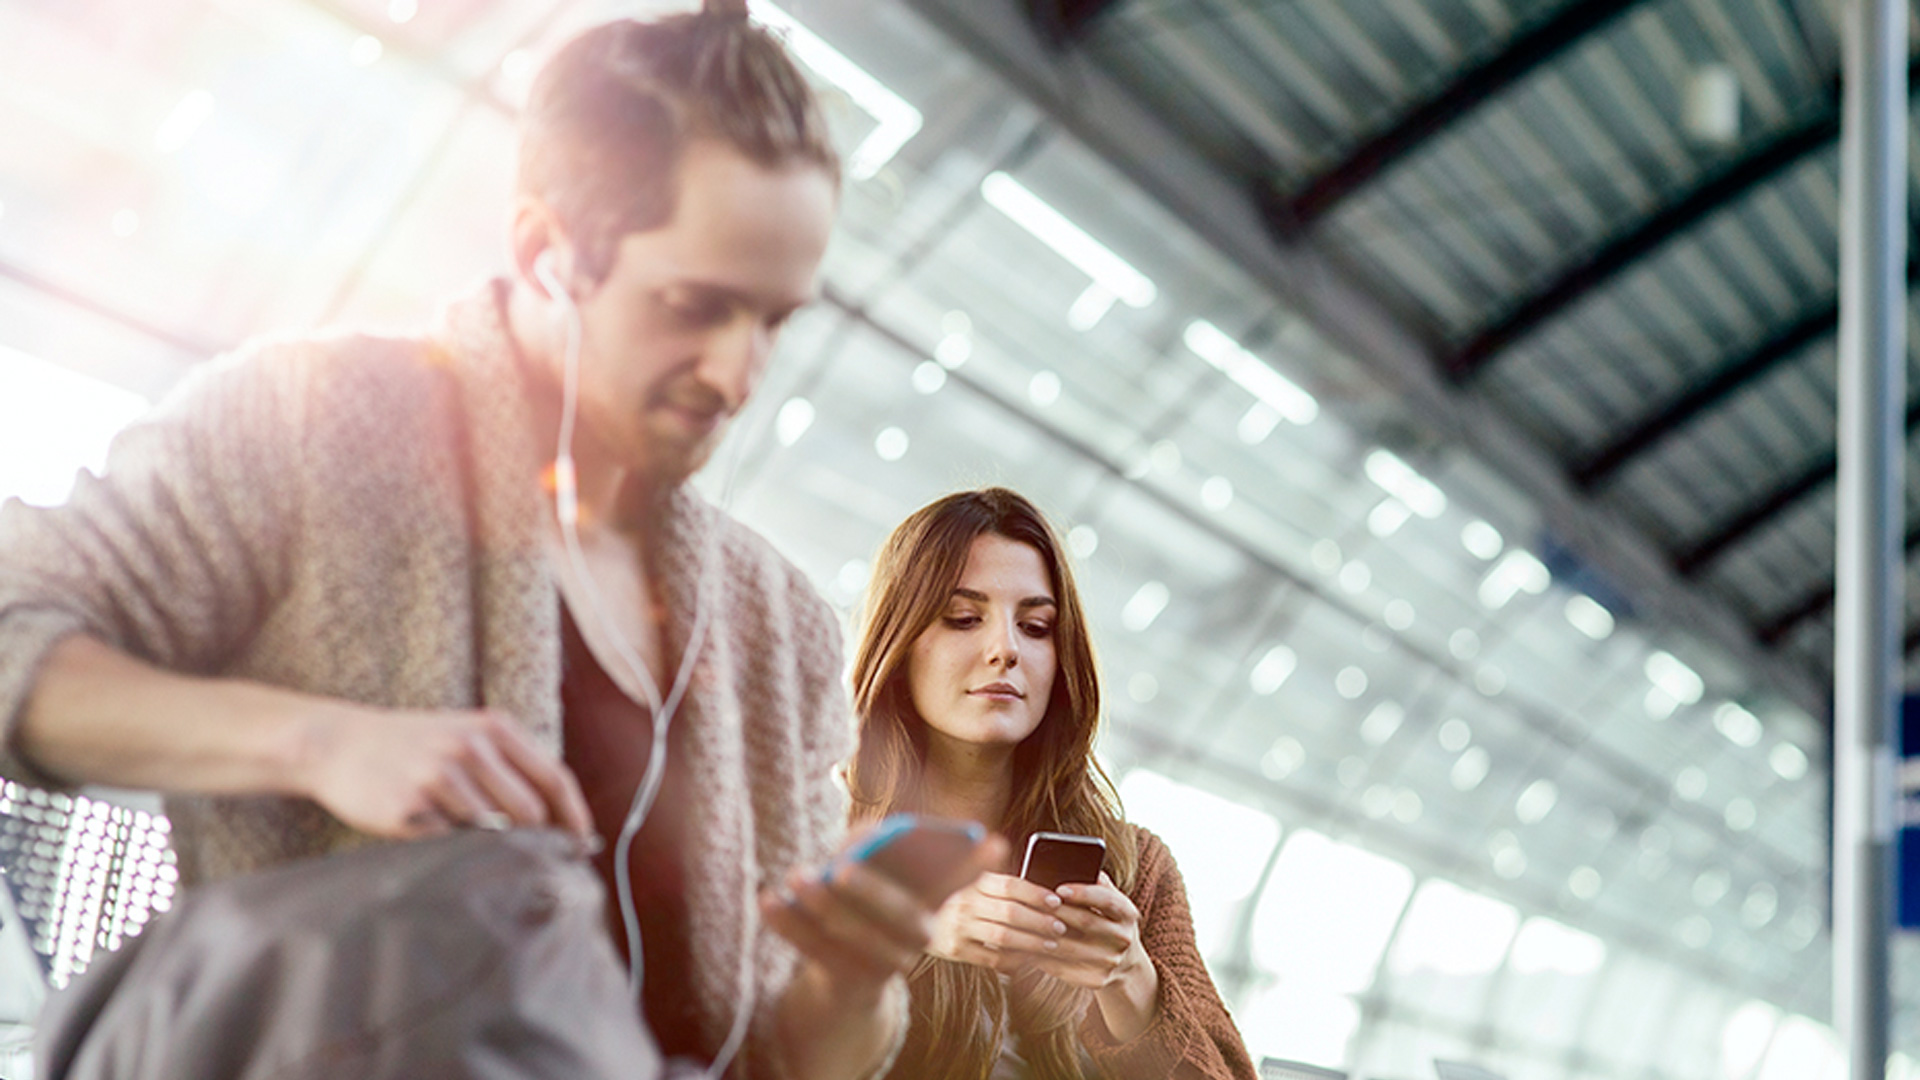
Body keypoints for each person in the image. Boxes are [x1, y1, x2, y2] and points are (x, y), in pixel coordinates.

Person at [0, 4, 995, 1077]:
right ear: (545, 251)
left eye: (774, 320)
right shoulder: (314, 429)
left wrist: (851, 977)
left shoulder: (777, 625)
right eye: (693, 306)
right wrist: (319, 743)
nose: (736, 374)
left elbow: (785, 1059)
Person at [845, 487, 1258, 1079]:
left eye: (1036, 627)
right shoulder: (820, 841)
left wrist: (1130, 980)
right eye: (964, 618)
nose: (1005, 650)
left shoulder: (1134, 869)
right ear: (900, 642)